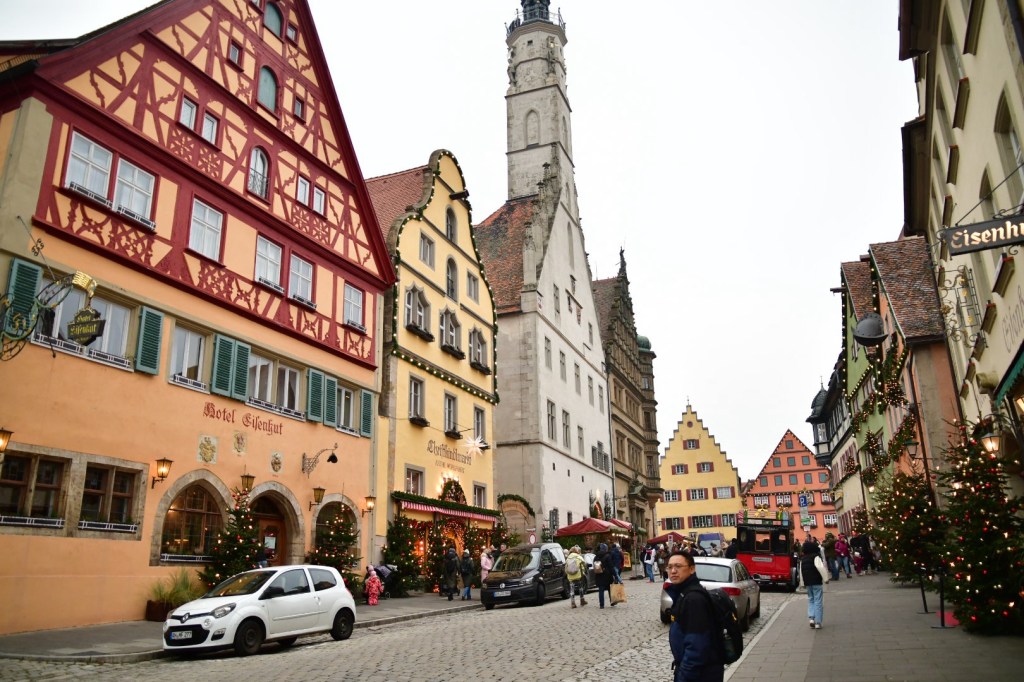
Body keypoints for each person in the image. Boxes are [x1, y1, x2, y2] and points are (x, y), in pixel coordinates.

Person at [664, 550, 724, 682]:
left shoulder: (693, 599)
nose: (673, 571)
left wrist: (684, 677)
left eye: (678, 566)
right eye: (670, 567)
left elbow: (697, 646)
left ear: (692, 569)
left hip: (701, 674)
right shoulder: (684, 594)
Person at [800, 540, 830, 628]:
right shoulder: (816, 557)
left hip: (807, 582)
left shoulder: (803, 559)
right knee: (818, 601)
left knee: (811, 599)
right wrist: (826, 578)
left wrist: (802, 583)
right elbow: (820, 567)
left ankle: (811, 618)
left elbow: (801, 571)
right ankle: (818, 622)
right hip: (816, 581)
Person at [593, 543, 614, 608]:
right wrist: (614, 574)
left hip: (599, 575)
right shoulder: (607, 556)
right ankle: (612, 602)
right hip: (607, 575)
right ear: (605, 549)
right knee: (609, 589)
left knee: (601, 590)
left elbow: (594, 566)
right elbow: (611, 566)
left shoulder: (596, 557)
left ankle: (601, 605)